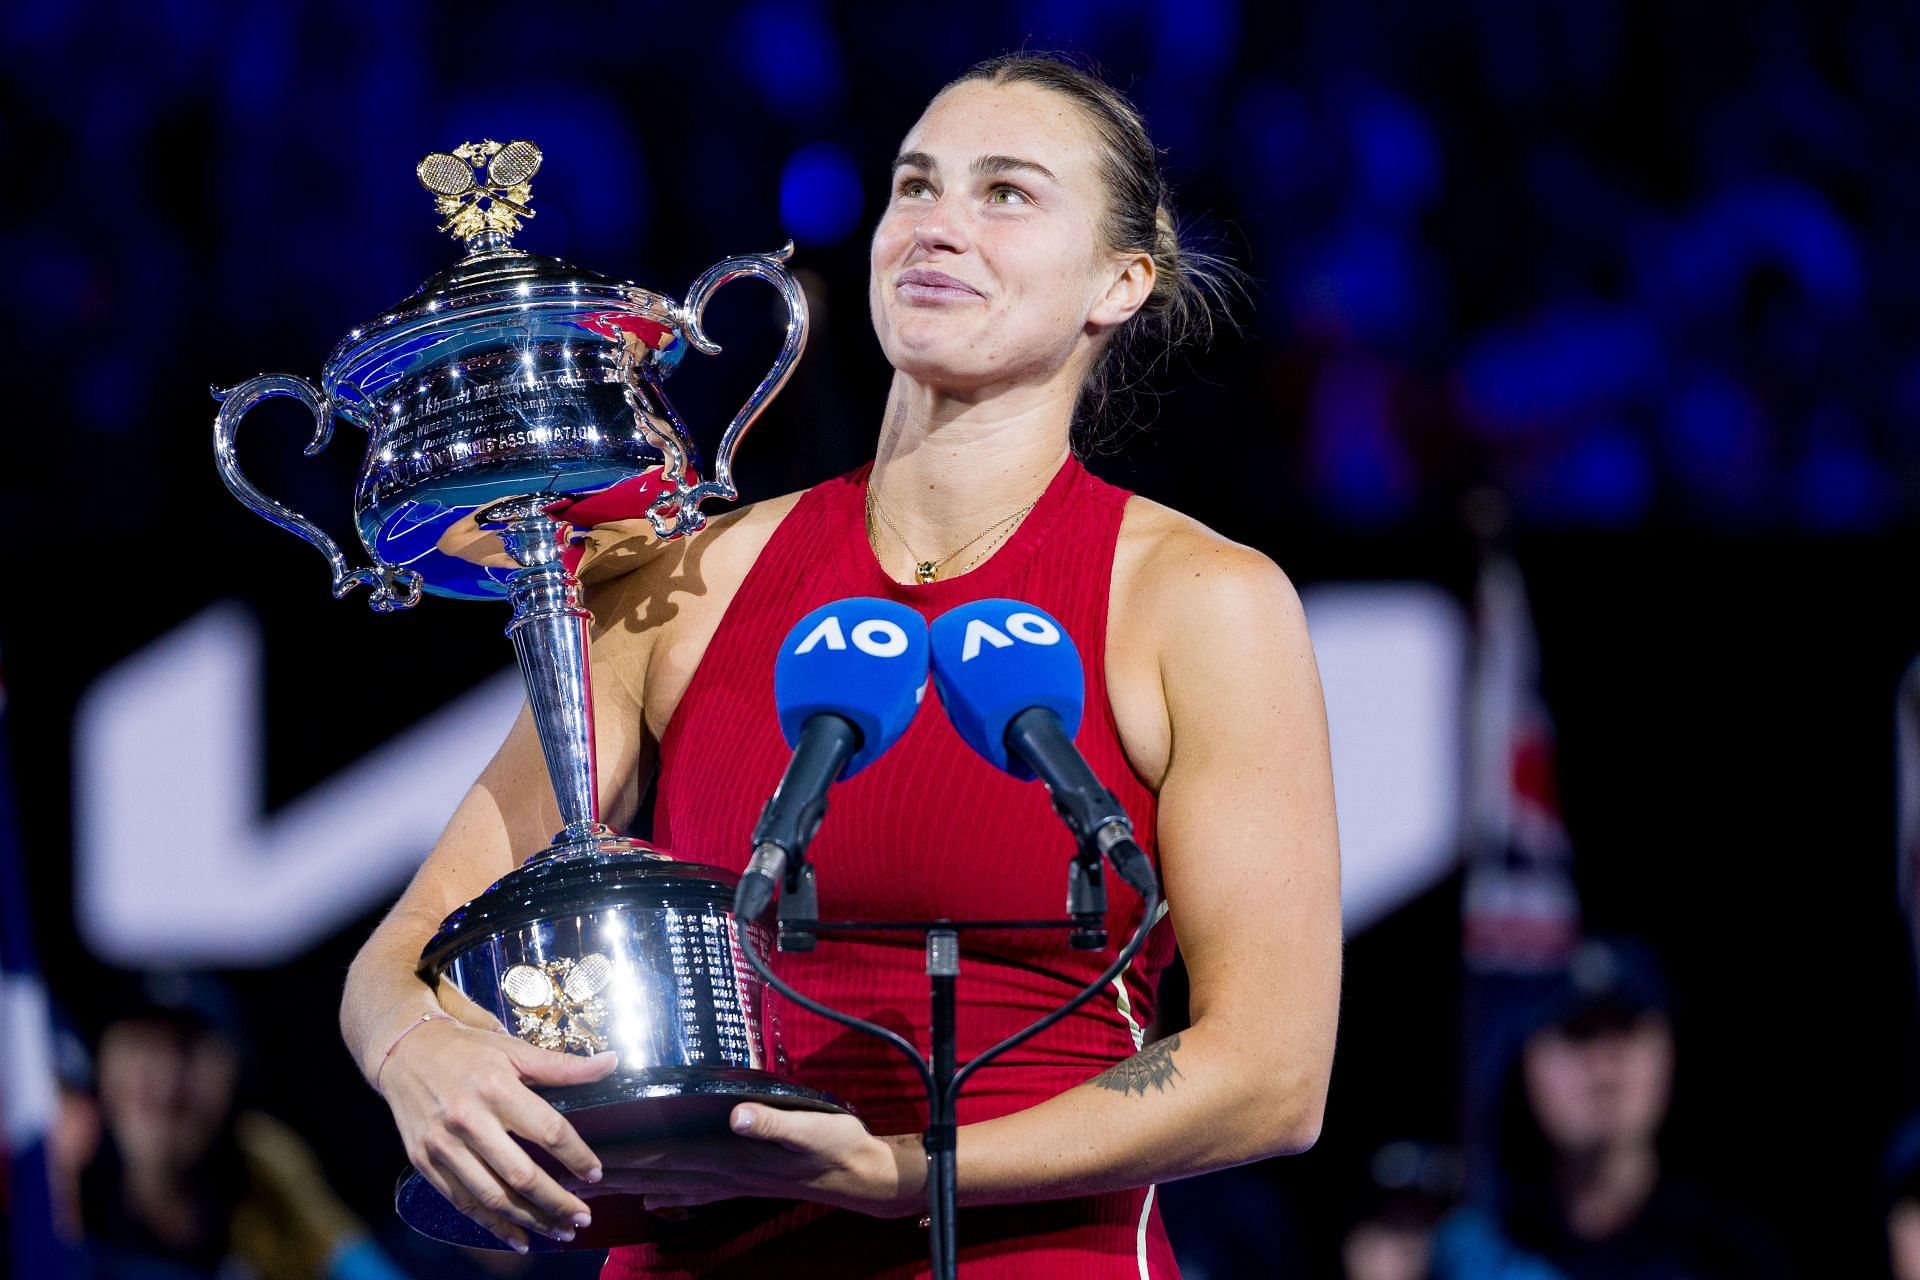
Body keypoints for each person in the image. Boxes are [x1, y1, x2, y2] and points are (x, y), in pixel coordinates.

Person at [339, 52, 1342, 1278]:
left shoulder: (1200, 603)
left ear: (1121, 281)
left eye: (1006, 193)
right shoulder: (684, 582)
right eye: (914, 185)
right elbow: (404, 950)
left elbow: (1273, 1075)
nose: (936, 226)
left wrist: (913, 1175)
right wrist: (415, 1049)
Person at [1429, 937, 1788, 1280]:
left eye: (1625, 1034)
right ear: (1527, 1062)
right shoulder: (1469, 1256)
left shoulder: (1735, 1256)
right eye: (1577, 1035)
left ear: (1668, 1051)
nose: (1603, 1070)